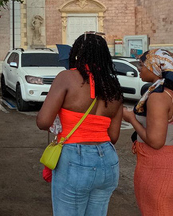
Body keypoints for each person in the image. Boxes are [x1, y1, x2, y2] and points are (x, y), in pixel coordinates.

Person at [36, 33, 124, 216]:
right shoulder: (113, 86)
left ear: (77, 54)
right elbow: (114, 136)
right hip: (108, 160)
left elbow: (43, 122)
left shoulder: (67, 77)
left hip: (75, 157)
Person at [122, 49, 173, 216]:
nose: (139, 69)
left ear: (156, 67)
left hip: (160, 171)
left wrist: (131, 119)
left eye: (142, 65)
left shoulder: (158, 97)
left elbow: (156, 142)